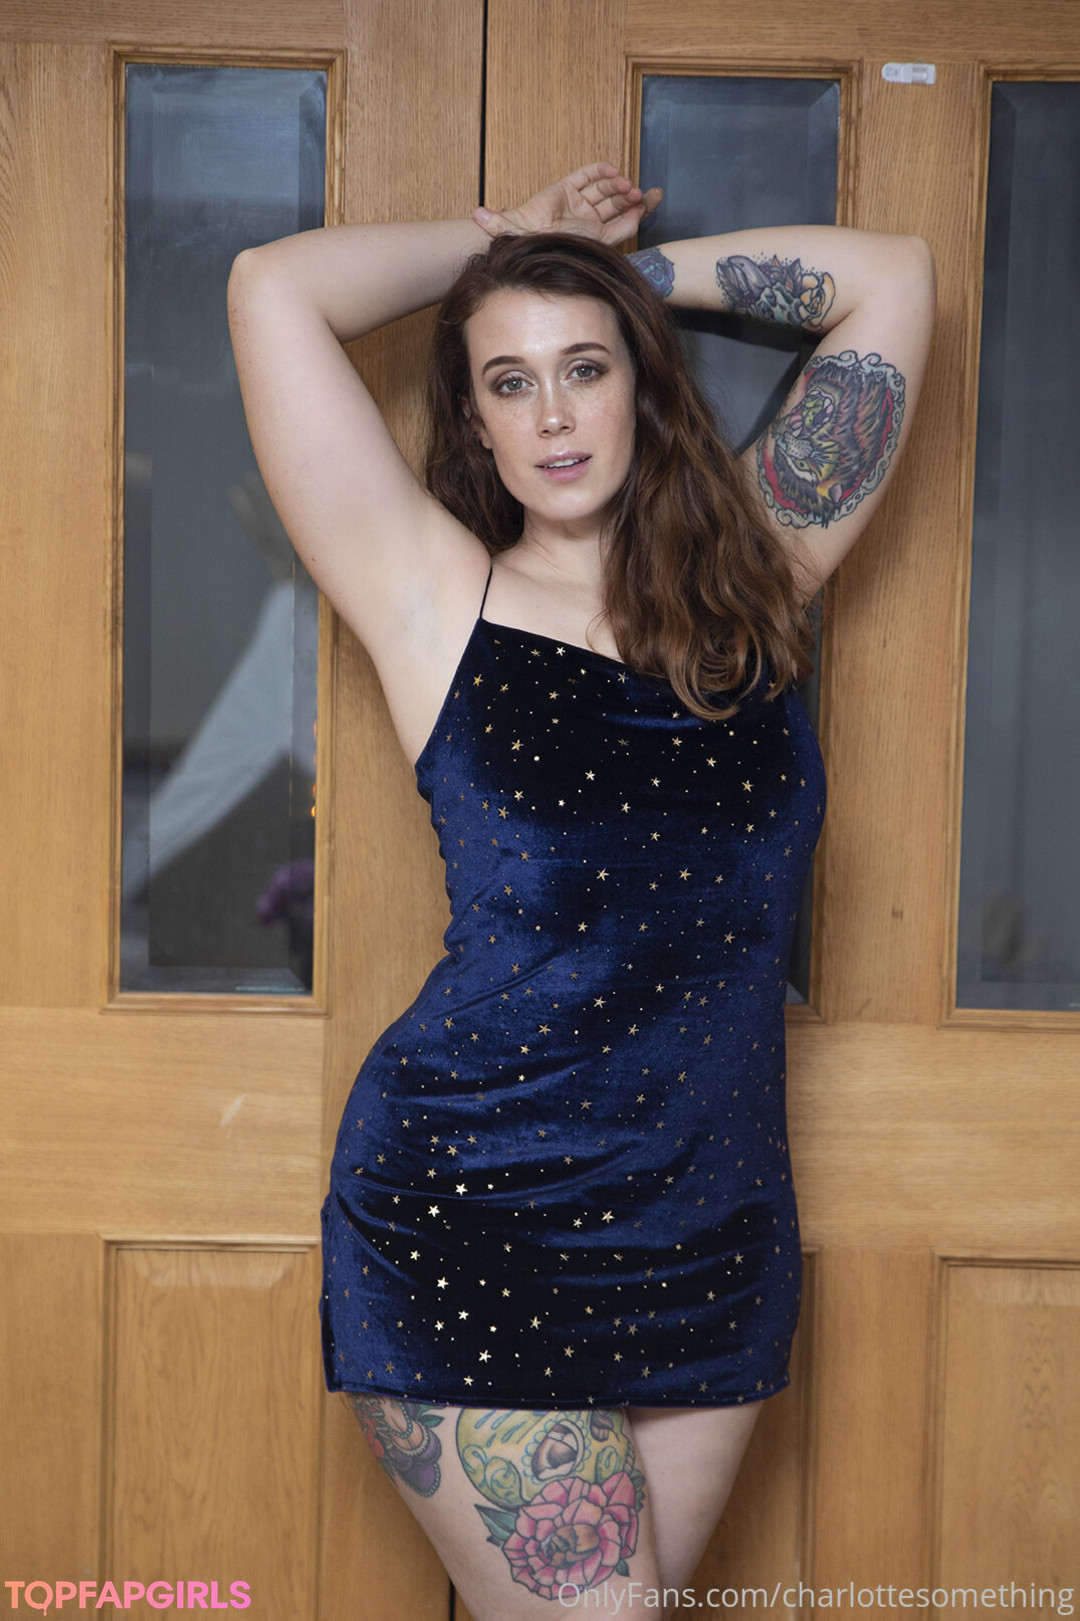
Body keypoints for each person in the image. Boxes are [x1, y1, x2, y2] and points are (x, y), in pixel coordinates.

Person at [227, 162, 935, 1619]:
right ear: (475, 420)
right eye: (510, 381)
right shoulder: (435, 598)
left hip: (711, 1224)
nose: (552, 413)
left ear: (640, 385)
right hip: (474, 1208)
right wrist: (510, 244)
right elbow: (271, 289)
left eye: (585, 368)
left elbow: (896, 279)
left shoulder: (761, 579)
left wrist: (620, 274)